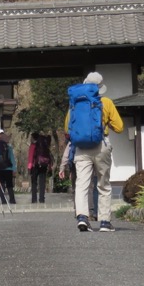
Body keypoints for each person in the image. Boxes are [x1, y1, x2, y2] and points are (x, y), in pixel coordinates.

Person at [65, 72, 123, 232]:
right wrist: (105, 123)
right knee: (103, 184)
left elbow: (67, 128)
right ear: (100, 88)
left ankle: (82, 217)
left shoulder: (75, 103)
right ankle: (104, 222)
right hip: (101, 145)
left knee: (82, 184)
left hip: (81, 148)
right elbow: (119, 127)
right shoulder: (106, 102)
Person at [27, 132, 52, 204]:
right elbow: (49, 156)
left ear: (33, 138)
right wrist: (50, 167)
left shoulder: (33, 145)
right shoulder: (44, 145)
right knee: (42, 182)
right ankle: (41, 199)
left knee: (34, 183)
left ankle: (34, 199)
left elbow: (30, 157)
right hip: (44, 165)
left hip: (35, 165)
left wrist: (29, 167)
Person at [0, 130, 17, 206]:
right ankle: (12, 199)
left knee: (1, 185)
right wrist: (14, 169)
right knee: (9, 185)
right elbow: (12, 159)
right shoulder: (8, 147)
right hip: (8, 168)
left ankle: (3, 200)